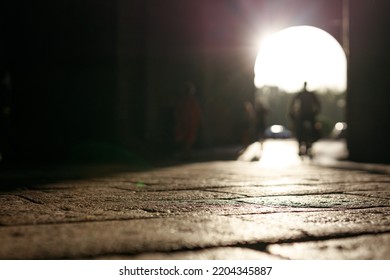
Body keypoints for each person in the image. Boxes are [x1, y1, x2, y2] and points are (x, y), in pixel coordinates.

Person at [289, 82, 321, 157]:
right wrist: (317, 111)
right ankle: (302, 145)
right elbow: (318, 103)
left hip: (306, 114)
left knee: (307, 129)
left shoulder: (303, 94)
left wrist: (292, 112)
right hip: (306, 114)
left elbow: (293, 102)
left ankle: (308, 143)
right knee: (300, 129)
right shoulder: (308, 94)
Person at [174, 82, 201, 160]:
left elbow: (196, 111)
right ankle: (186, 153)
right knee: (186, 138)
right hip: (187, 121)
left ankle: (186, 153)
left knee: (187, 139)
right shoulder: (185, 101)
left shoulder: (190, 101)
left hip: (189, 121)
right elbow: (179, 111)